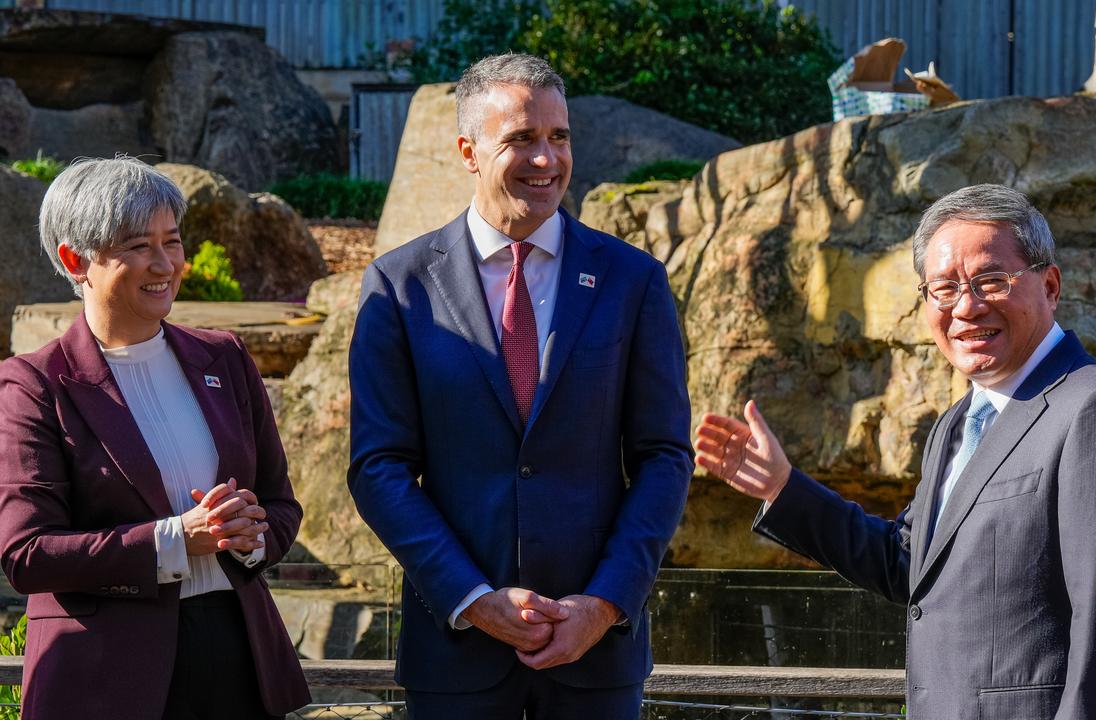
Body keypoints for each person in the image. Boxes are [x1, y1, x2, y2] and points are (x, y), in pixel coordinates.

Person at [696, 184, 1096, 719]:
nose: (966, 307)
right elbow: (910, 565)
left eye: (991, 280)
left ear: (1050, 284)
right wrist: (784, 489)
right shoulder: (958, 423)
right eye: (943, 289)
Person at [347, 53, 692, 720]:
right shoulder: (399, 286)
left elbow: (663, 456)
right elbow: (378, 467)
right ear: (468, 151)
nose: (546, 159)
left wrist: (606, 602)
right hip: (456, 656)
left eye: (558, 137)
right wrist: (472, 599)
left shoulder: (632, 280)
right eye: (522, 139)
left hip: (595, 653)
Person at [0, 156, 309, 719]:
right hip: (104, 676)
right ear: (77, 261)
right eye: (139, 246)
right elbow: (27, 553)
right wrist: (173, 540)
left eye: (174, 241)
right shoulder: (33, 384)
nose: (166, 263)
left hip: (239, 657)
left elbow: (280, 503)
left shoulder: (225, 356)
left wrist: (250, 535)